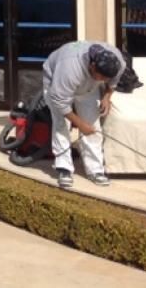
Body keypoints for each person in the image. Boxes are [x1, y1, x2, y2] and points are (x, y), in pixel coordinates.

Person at [42, 40, 125, 189]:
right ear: (92, 66)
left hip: (88, 87)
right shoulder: (69, 68)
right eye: (102, 77)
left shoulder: (117, 62)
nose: (104, 81)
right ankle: (64, 168)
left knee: (93, 125)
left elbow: (113, 82)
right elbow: (60, 102)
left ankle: (95, 170)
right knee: (62, 124)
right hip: (57, 84)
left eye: (106, 78)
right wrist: (80, 124)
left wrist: (106, 97)